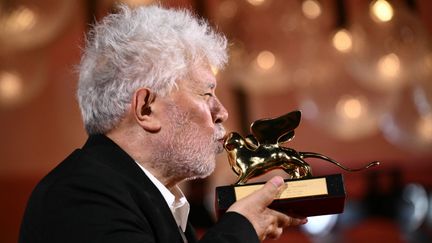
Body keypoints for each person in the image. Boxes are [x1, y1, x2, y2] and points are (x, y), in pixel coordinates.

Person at [19, 4, 307, 243]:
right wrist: (240, 228)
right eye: (206, 93)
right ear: (146, 108)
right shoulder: (80, 194)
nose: (222, 112)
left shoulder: (145, 198)